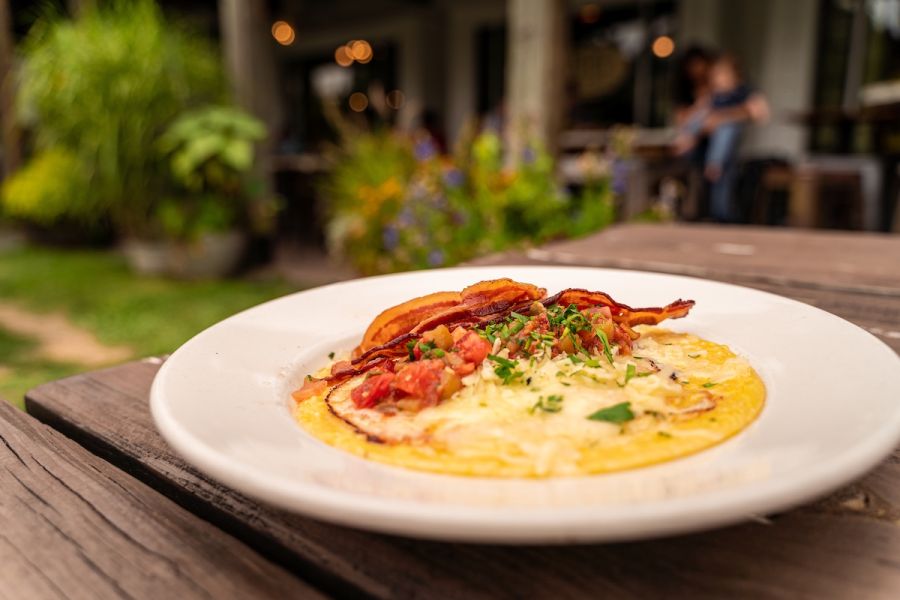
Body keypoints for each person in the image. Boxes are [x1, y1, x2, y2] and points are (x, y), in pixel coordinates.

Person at [674, 51, 770, 222]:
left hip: (727, 152)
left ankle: (715, 167)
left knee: (727, 129)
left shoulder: (742, 92)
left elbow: (761, 113)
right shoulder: (712, 96)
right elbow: (693, 116)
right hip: (702, 148)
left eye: (723, 75)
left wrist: (722, 118)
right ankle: (689, 142)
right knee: (703, 118)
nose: (719, 80)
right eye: (716, 76)